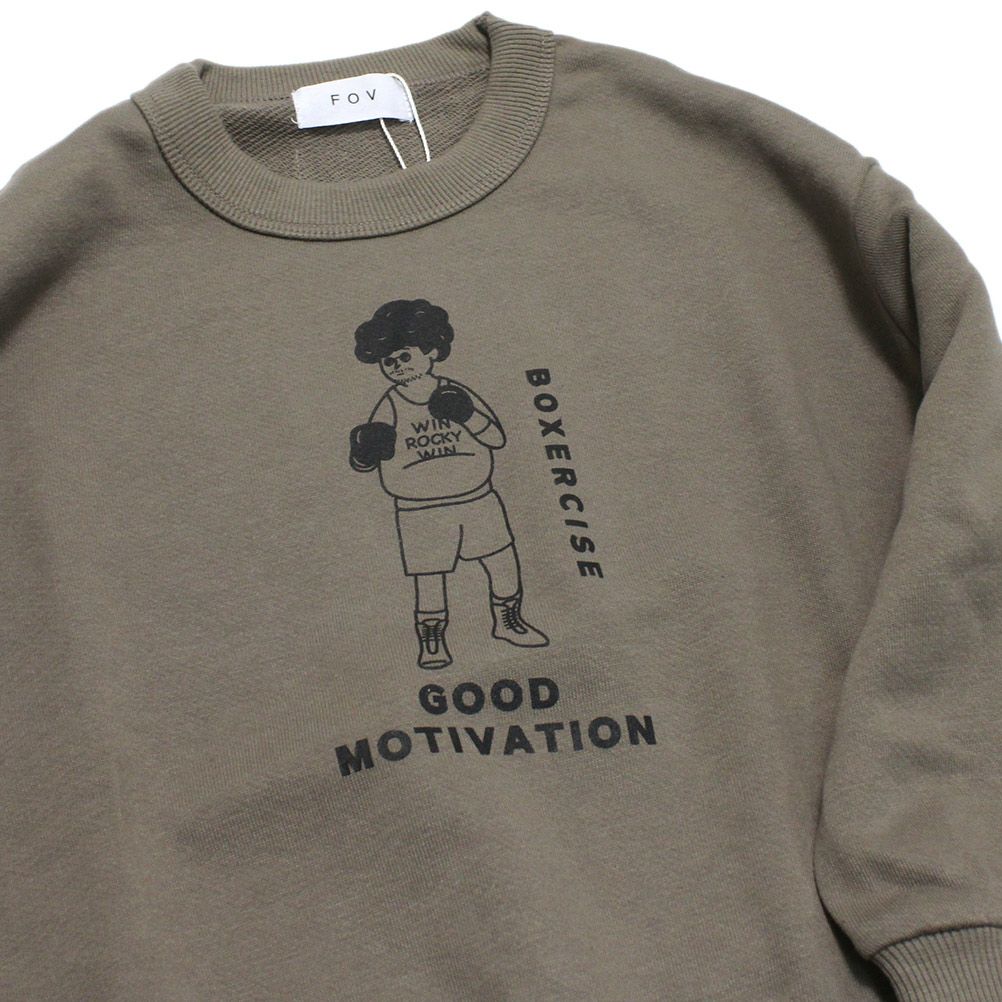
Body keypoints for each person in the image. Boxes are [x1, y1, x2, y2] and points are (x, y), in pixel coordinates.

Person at [349, 298, 549, 669]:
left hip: (476, 499)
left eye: (404, 356)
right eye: (389, 362)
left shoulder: (454, 392)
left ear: (431, 351)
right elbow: (367, 461)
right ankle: (432, 640)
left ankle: (508, 621)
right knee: (429, 578)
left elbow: (496, 438)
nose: (397, 366)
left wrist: (467, 415)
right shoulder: (390, 404)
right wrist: (364, 451)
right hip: (418, 510)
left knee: (502, 562)